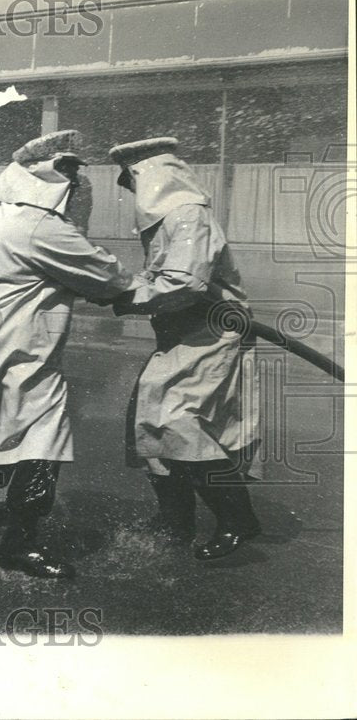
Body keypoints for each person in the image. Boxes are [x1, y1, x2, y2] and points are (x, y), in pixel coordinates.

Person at [0, 130, 133, 579]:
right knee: (43, 434)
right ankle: (21, 543)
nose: (76, 181)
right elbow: (107, 276)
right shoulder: (41, 228)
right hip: (25, 340)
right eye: (70, 173)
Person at [108, 137, 262, 561]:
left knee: (179, 424)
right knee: (150, 422)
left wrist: (124, 296)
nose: (127, 187)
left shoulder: (190, 217)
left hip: (210, 336)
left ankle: (238, 522)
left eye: (132, 177)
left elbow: (184, 283)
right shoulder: (167, 220)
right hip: (180, 335)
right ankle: (175, 519)